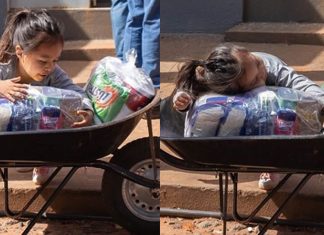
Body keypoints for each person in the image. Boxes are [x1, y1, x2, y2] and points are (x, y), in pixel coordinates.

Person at [173, 43, 324, 190]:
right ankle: (268, 165)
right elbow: (195, 94)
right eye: (254, 81)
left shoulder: (270, 66)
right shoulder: (220, 82)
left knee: (285, 124)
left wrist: (320, 101)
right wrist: (183, 100)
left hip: (286, 116)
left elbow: (302, 85)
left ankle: (274, 165)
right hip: (250, 124)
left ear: (248, 54)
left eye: (257, 64)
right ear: (233, 92)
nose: (261, 75)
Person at [0, 9, 94, 185]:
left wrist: (86, 108)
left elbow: (77, 93)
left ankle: (41, 160)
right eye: (43, 61)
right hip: (6, 136)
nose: (49, 67)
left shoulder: (53, 74)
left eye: (55, 60)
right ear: (20, 52)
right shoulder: (4, 67)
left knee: (56, 113)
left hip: (37, 136)